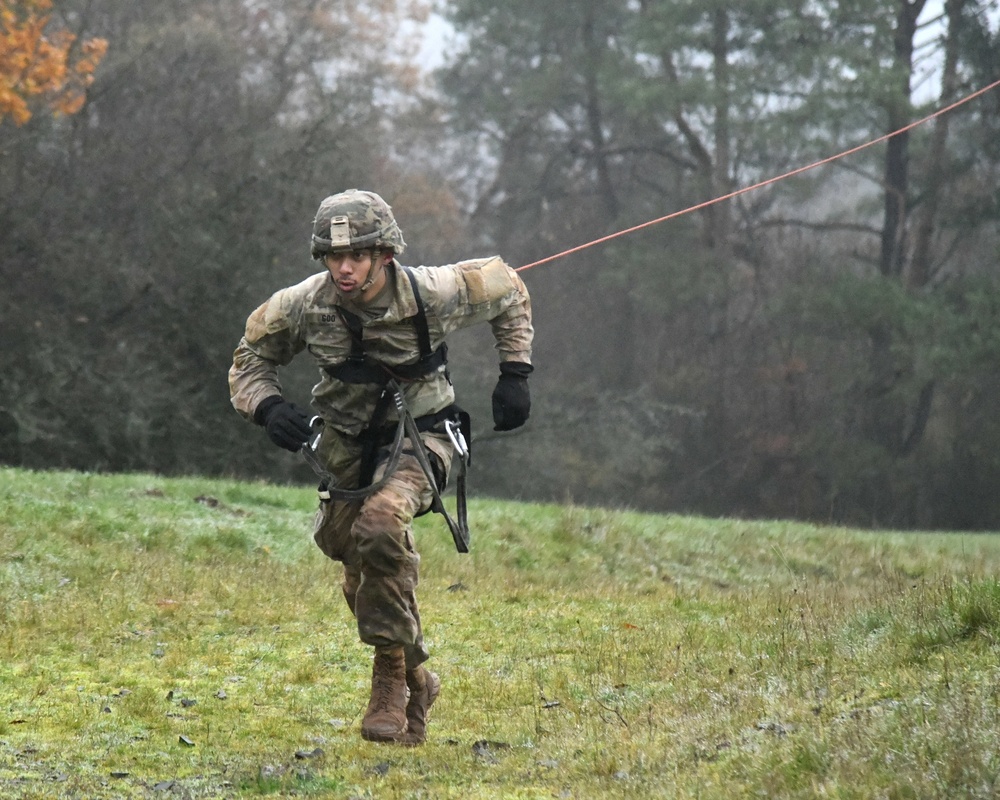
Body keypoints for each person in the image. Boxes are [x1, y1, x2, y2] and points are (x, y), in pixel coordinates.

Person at [228, 189, 533, 745]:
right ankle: (420, 678)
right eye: (333, 257)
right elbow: (250, 359)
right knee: (359, 574)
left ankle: (388, 682)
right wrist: (268, 407)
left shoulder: (437, 292)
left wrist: (514, 372)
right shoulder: (301, 305)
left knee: (380, 523)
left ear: (384, 254)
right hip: (347, 448)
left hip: (427, 435)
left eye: (358, 256)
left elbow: (509, 286)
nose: (344, 268)